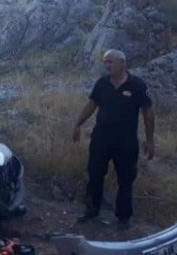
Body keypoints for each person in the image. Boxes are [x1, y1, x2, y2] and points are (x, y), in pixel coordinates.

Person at [72, 49, 155, 229]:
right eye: (105, 62)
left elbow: (148, 113)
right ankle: (91, 209)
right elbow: (91, 104)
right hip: (101, 139)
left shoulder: (138, 85)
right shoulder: (102, 83)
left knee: (125, 180)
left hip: (126, 143)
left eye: (111, 62)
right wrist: (78, 124)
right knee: (94, 174)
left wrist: (150, 140)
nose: (107, 65)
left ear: (122, 63)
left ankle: (123, 218)